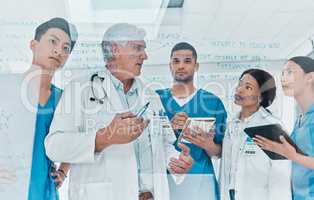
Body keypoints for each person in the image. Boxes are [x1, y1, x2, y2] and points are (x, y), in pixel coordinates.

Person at [44, 23, 193, 200]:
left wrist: (176, 161)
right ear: (115, 49)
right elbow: (54, 147)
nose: (145, 56)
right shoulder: (79, 89)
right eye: (138, 48)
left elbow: (164, 144)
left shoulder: (151, 96)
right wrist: (104, 138)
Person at [156, 42, 227, 200]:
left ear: (196, 66)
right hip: (165, 183)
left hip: (201, 182)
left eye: (187, 61)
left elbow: (221, 151)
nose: (181, 66)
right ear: (170, 66)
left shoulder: (212, 102)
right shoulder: (156, 99)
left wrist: (206, 143)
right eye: (176, 61)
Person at [219, 68, 291, 200]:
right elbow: (226, 170)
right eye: (240, 84)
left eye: (248, 87)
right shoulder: (232, 125)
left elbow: (281, 177)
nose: (239, 89)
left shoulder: (272, 127)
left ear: (261, 96)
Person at [26, 18, 78, 200]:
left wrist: (63, 171)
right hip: (10, 185)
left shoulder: (64, 99)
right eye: (53, 41)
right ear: (34, 45)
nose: (59, 51)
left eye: (66, 48)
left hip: (44, 190)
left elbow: (76, 138)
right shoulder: (6, 88)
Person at [253, 56, 314, 200]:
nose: (283, 78)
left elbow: (297, 156)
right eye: (282, 73)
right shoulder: (301, 118)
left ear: (310, 77)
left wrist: (293, 156)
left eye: (290, 72)